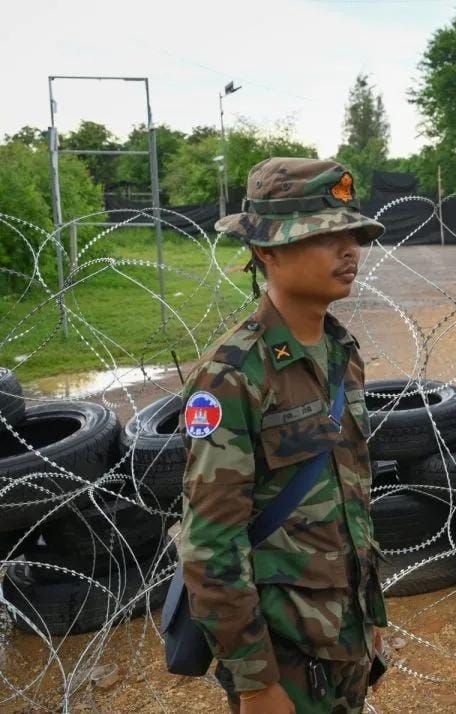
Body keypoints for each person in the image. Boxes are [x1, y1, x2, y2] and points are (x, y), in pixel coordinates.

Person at [178, 158, 388, 714]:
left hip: (345, 634)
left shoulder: (341, 353)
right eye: (324, 235)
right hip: (284, 654)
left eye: (352, 234)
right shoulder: (233, 375)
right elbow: (210, 543)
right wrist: (255, 681)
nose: (348, 251)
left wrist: (372, 619)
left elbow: (353, 503)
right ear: (267, 251)